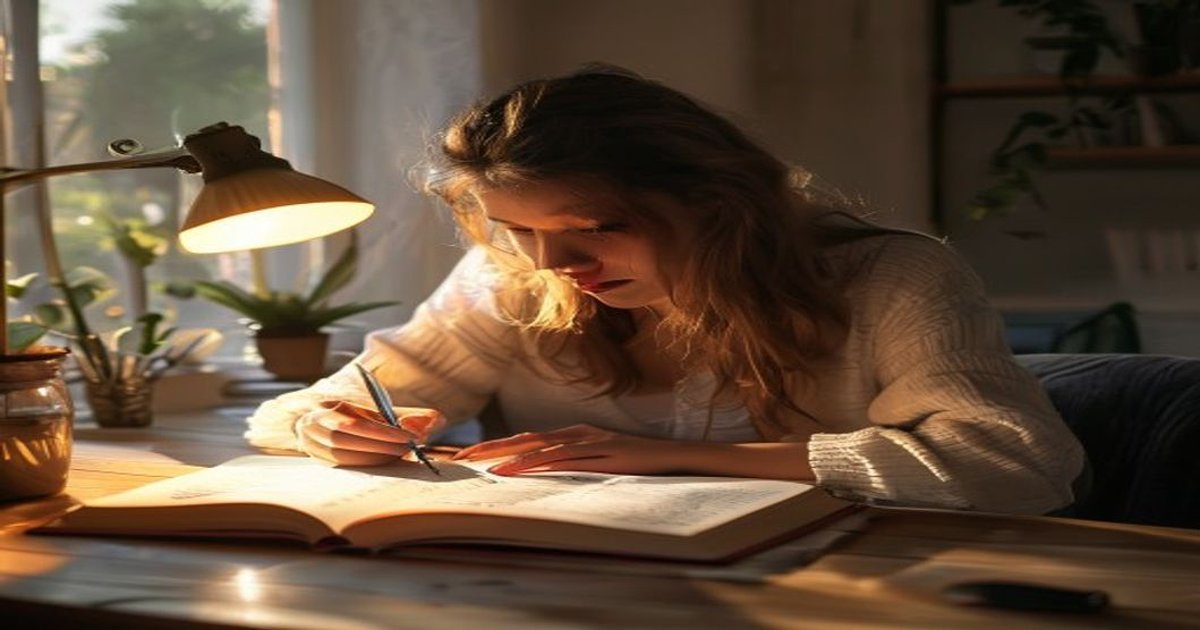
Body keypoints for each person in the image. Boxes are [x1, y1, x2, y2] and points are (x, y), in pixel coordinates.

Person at [245, 65, 1085, 514]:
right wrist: (327, 424)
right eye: (520, 230)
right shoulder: (511, 282)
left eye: (598, 228)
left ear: (717, 205)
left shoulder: (891, 279)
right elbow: (288, 415)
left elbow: (1020, 467)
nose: (553, 264)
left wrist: (686, 456)